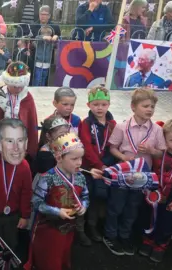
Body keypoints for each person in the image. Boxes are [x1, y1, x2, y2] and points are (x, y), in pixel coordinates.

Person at [103, 87, 166, 256]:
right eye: (145, 106)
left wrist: (152, 151)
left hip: (142, 178)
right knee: (116, 206)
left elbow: (161, 152)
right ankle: (110, 235)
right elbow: (113, 148)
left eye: (152, 107)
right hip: (123, 175)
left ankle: (125, 235)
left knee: (132, 207)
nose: (150, 110)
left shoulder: (157, 130)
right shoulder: (122, 127)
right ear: (133, 107)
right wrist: (123, 158)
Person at [26, 132, 89, 270]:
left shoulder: (80, 177)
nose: (79, 162)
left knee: (64, 255)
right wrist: (57, 211)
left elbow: (85, 196)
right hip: (49, 228)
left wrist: (83, 207)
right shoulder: (47, 178)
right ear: (59, 158)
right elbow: (36, 201)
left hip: (69, 227)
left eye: (81, 158)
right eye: (74, 159)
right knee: (50, 259)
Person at [140, 119, 172, 262]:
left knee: (167, 224)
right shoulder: (158, 155)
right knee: (150, 219)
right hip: (154, 195)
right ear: (164, 139)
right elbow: (149, 173)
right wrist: (149, 192)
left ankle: (160, 246)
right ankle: (148, 241)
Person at [0, 119, 33, 267]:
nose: (16, 147)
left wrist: (25, 216)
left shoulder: (24, 166)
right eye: (10, 141)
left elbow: (26, 193)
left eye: (20, 141)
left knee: (11, 245)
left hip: (13, 217)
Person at [76, 86, 116, 246]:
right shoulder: (85, 124)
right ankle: (79, 229)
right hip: (88, 169)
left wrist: (108, 165)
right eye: (96, 104)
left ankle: (92, 226)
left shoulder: (112, 124)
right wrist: (99, 164)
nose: (99, 108)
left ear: (109, 104)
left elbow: (114, 144)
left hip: (105, 168)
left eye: (103, 104)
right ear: (89, 105)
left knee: (99, 197)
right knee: (85, 196)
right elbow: (86, 145)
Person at [0, 61, 38, 163]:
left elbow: (32, 123)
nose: (18, 89)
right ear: (8, 82)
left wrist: (31, 147)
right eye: (15, 86)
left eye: (21, 86)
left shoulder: (27, 97)